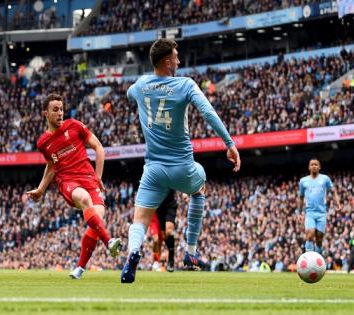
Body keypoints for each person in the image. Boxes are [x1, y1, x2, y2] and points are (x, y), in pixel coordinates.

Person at [121, 39, 240, 283]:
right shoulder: (186, 85)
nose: (179, 60)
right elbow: (208, 113)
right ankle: (191, 252)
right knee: (199, 189)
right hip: (183, 167)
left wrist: (145, 91)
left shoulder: (142, 84)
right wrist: (229, 144)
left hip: (153, 169)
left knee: (140, 220)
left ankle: (133, 253)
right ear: (167, 62)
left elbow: (128, 93)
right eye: (176, 56)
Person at [26, 93, 121, 279]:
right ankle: (109, 242)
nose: (60, 113)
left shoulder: (75, 126)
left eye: (61, 109)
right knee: (85, 199)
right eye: (55, 110)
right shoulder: (43, 143)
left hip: (89, 178)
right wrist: (41, 189)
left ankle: (80, 268)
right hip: (67, 181)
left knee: (97, 219)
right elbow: (52, 165)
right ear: (45, 113)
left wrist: (98, 176)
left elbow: (99, 148)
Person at [298, 158, 341, 255]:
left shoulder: (325, 179)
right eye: (312, 164)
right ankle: (309, 258)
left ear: (319, 167)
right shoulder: (303, 181)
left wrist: (338, 202)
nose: (314, 166)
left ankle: (318, 258)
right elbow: (300, 197)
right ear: (309, 167)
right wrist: (299, 213)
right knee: (310, 234)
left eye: (316, 164)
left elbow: (333, 192)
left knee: (319, 239)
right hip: (310, 213)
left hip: (321, 214)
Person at [149, 190, 177, 272]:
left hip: (170, 205)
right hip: (157, 212)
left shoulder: (171, 179)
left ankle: (171, 259)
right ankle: (156, 262)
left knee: (169, 232)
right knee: (157, 240)